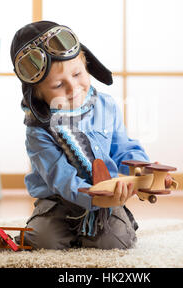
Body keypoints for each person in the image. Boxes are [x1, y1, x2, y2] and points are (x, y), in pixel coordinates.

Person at [10, 20, 153, 250]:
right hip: (59, 201)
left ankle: (101, 228)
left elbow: (123, 148)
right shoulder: (38, 129)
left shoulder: (106, 106)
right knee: (42, 241)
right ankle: (68, 231)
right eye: (58, 85)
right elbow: (61, 177)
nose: (73, 88)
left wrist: (140, 170)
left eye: (78, 74)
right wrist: (92, 197)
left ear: (87, 66)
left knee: (115, 241)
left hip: (107, 196)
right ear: (38, 96)